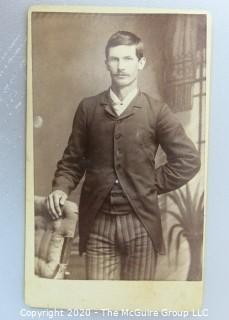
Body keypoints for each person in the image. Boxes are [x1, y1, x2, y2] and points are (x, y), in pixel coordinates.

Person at [47, 31, 201, 280]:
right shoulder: (88, 108)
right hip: (98, 224)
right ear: (106, 63)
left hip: (141, 224)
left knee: (135, 305)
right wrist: (61, 188)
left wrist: (149, 183)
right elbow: (72, 160)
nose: (121, 66)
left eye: (128, 59)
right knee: (99, 302)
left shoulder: (156, 111)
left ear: (141, 63)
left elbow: (189, 160)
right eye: (115, 59)